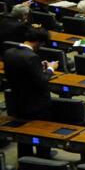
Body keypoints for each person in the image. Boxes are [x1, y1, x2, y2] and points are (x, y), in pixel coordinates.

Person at [4, 27, 58, 158]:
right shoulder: (31, 57)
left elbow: (21, 73)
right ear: (38, 41)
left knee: (23, 133)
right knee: (42, 131)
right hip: (36, 103)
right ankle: (43, 157)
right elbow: (41, 81)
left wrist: (38, 67)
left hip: (17, 99)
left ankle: (24, 159)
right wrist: (50, 69)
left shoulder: (9, 52)